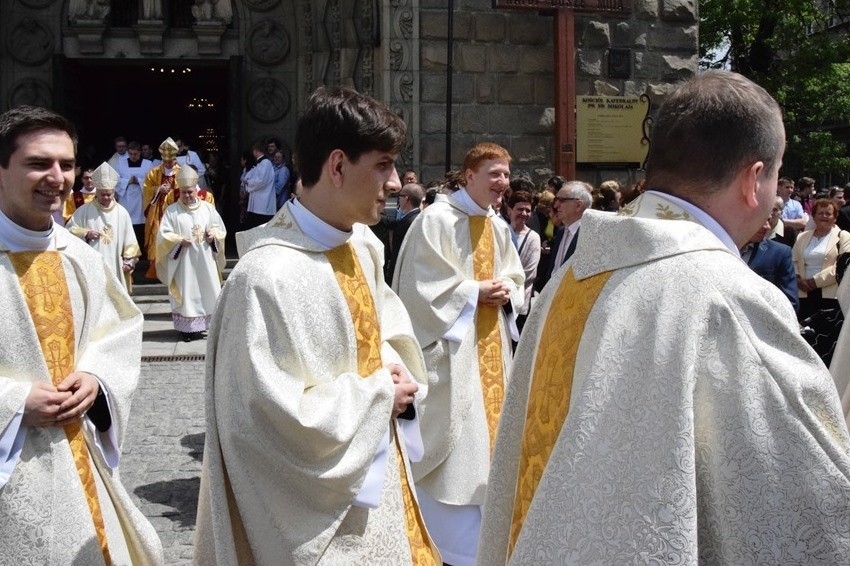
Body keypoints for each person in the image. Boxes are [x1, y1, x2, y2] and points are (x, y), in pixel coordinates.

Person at [479, 71, 850, 564]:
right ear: (751, 180)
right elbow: (810, 494)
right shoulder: (727, 297)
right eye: (775, 174)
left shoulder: (572, 277)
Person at [195, 86, 440, 565]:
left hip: (383, 479)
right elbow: (264, 421)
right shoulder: (263, 278)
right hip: (319, 524)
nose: (395, 182)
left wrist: (396, 371)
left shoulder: (364, 246)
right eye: (383, 164)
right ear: (337, 166)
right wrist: (375, 397)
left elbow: (386, 334)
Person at [0, 105, 163, 564]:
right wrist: (13, 403)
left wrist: (94, 377)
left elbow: (119, 331)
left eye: (67, 164)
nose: (57, 177)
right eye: (38, 163)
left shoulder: (80, 256)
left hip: (78, 458)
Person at [392, 142, 525, 566]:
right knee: (457, 450)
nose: (503, 182)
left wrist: (508, 291)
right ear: (468, 176)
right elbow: (418, 290)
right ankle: (450, 549)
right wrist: (473, 291)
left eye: (506, 174)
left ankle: (490, 542)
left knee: (493, 444)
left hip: (492, 352)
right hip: (452, 357)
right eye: (494, 174)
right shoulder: (435, 221)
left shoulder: (497, 225)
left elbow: (515, 276)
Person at [156, 167, 226, 342]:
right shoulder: (172, 211)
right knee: (187, 294)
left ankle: (204, 326)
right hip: (183, 263)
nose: (187, 195)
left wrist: (213, 236)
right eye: (183, 192)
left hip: (205, 260)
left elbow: (219, 228)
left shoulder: (208, 209)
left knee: (207, 291)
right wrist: (179, 241)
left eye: (190, 192)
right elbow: (163, 235)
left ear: (196, 190)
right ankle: (187, 330)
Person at [66, 161, 141, 292]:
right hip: (91, 264)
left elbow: (130, 239)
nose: (106, 197)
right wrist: (85, 233)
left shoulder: (122, 212)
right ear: (97, 193)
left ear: (113, 193)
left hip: (115, 264)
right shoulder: (84, 211)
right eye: (103, 195)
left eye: (109, 194)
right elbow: (69, 230)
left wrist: (129, 260)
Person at [792, 198, 850, 365]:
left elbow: (842, 266)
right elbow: (794, 260)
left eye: (828, 213)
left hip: (829, 296)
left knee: (826, 339)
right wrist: (798, 279)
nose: (824, 216)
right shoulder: (802, 236)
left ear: (835, 217)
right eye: (820, 213)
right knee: (805, 337)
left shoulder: (843, 236)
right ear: (813, 216)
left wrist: (814, 282)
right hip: (804, 293)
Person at [534, 180, 593, 293]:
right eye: (556, 200)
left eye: (561, 200)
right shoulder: (561, 232)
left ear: (578, 205)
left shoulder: (590, 235)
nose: (556, 205)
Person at [741, 218, 798, 311]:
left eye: (768, 220)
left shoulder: (780, 253)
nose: (767, 226)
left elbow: (790, 302)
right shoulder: (719, 246)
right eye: (761, 221)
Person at [506, 190, 540, 333]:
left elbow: (529, 273)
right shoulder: (502, 231)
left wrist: (506, 285)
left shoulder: (533, 238)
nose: (524, 214)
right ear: (509, 210)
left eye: (528, 210)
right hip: (500, 301)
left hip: (520, 303)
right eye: (520, 209)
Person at [380, 182, 424, 284]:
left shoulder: (412, 221)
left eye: (400, 196)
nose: (398, 199)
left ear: (406, 198)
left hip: (402, 275)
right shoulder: (412, 218)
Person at [115, 140, 152, 251]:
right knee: (126, 224)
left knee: (140, 226)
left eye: (135, 154)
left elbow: (151, 181)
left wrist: (140, 181)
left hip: (141, 200)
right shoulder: (121, 163)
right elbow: (116, 180)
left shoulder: (147, 164)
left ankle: (141, 253)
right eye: (130, 154)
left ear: (140, 152)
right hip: (125, 199)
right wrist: (128, 181)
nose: (133, 156)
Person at [242, 140, 276, 228]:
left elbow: (260, 181)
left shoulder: (265, 163)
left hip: (262, 204)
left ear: (256, 150)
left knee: (260, 226)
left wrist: (248, 183)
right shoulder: (260, 163)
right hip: (258, 202)